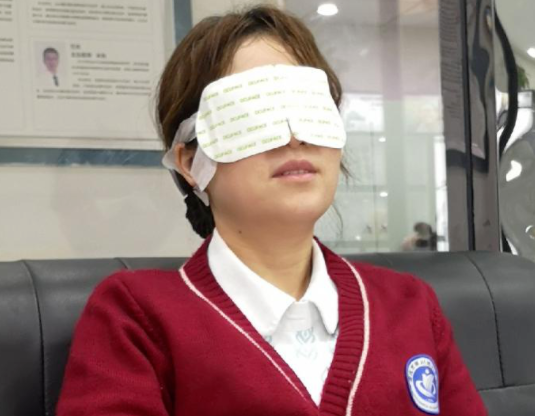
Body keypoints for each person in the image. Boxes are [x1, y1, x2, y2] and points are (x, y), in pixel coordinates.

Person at [56, 6, 487, 416]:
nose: (295, 137)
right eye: (254, 115)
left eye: (310, 108)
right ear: (190, 162)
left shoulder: (410, 306)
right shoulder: (135, 316)